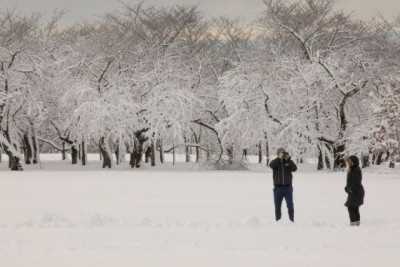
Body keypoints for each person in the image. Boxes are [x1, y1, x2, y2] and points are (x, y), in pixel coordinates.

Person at [269, 147, 297, 222]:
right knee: (277, 206)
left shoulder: (288, 161)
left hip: (288, 187)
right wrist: (279, 158)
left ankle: (291, 220)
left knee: (290, 205)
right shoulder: (275, 162)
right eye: (280, 152)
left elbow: (294, 168)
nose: (282, 154)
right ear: (277, 154)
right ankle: (278, 221)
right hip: (277, 188)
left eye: (283, 152)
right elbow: (271, 165)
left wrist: (289, 159)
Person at [344, 155, 365, 226]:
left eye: (349, 162)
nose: (347, 163)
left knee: (351, 207)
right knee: (354, 208)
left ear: (353, 162)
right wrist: (347, 187)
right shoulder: (353, 168)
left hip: (356, 192)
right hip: (356, 191)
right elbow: (351, 181)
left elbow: (356, 182)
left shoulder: (355, 169)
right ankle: (356, 224)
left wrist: (351, 189)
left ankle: (353, 224)